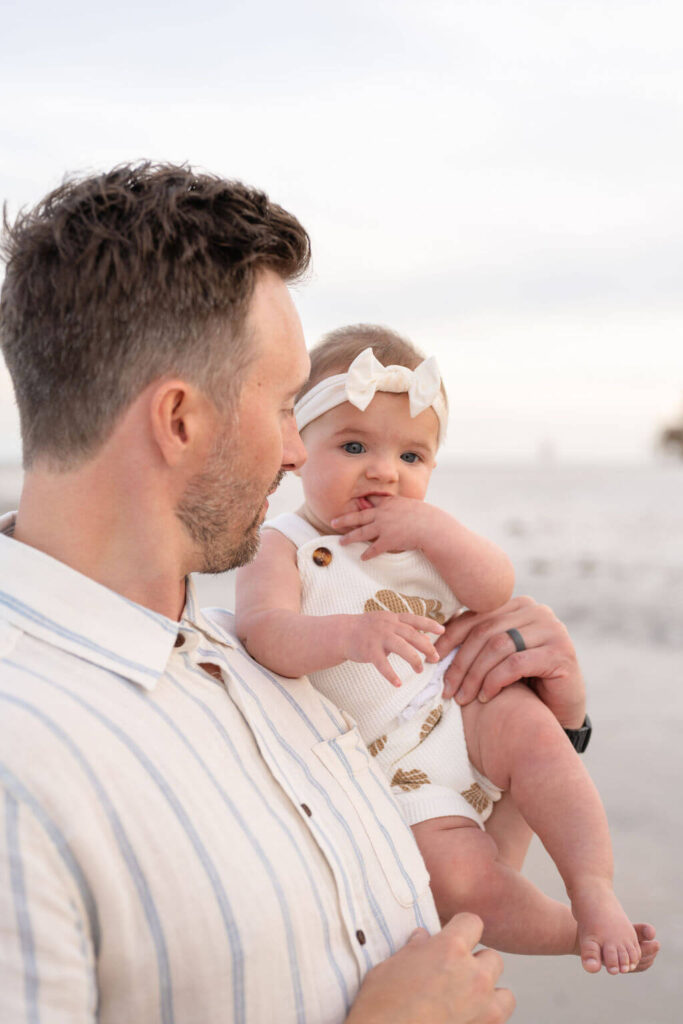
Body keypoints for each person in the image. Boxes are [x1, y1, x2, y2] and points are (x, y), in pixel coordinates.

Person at [0, 164, 656, 1024]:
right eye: (282, 408)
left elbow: (458, 910)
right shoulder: (27, 767)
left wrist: (543, 719)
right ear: (180, 420)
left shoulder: (246, 654)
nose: (298, 455)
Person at [236, 325, 657, 975]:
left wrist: (434, 529)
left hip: (461, 702)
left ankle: (592, 887)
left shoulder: (424, 536)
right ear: (298, 449)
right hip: (395, 764)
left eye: (412, 458)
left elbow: (494, 589)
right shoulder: (282, 544)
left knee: (544, 746)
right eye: (353, 446)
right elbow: (264, 631)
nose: (385, 471)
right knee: (461, 882)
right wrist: (346, 634)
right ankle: (571, 932)